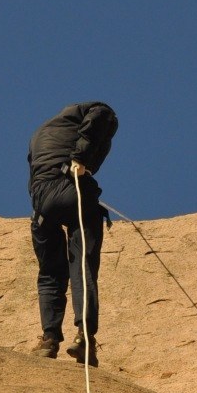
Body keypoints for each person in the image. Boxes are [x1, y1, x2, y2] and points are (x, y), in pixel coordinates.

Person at [27, 102, 118, 364]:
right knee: (84, 263)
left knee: (50, 274)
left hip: (41, 203)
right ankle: (85, 337)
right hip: (70, 187)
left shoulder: (40, 134)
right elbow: (101, 115)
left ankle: (49, 339)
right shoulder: (94, 110)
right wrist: (81, 157)